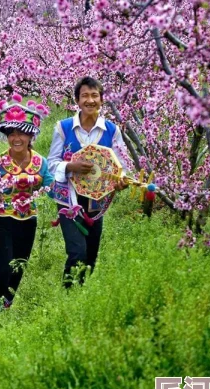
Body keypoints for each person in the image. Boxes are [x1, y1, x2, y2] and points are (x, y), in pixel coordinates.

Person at [48, 77, 132, 288]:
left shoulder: (112, 130)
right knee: (77, 251)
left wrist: (122, 180)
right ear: (77, 100)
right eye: (85, 95)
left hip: (97, 201)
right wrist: (70, 166)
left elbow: (123, 164)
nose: (90, 100)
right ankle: (68, 294)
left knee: (91, 254)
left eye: (95, 95)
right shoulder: (63, 128)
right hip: (68, 199)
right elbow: (51, 163)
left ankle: (81, 292)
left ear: (102, 100)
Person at [0, 93, 54, 309]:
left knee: (18, 267)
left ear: (31, 136)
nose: (16, 138)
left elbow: (51, 187)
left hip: (29, 221)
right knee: (3, 268)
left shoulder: (41, 162)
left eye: (22, 133)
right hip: (3, 222)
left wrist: (71, 188)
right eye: (11, 133)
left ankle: (4, 307)